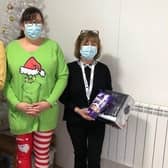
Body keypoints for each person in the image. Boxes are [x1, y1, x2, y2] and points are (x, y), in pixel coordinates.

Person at [4, 7, 68, 168]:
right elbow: (5, 81)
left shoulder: (53, 47)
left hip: (46, 113)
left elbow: (62, 76)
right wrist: (17, 104)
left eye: (37, 22)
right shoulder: (10, 48)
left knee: (42, 154)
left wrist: (49, 102)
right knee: (23, 154)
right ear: (21, 25)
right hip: (20, 113)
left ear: (43, 24)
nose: (34, 26)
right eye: (29, 22)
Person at [60, 30, 112, 168]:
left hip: (97, 119)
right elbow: (63, 95)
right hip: (75, 119)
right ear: (79, 47)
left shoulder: (103, 69)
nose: (90, 46)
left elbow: (108, 94)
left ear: (98, 47)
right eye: (86, 43)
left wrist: (115, 118)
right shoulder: (69, 69)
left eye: (93, 43)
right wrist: (78, 110)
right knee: (80, 154)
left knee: (94, 158)